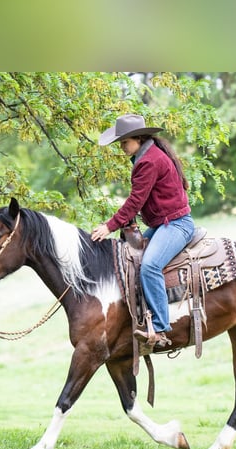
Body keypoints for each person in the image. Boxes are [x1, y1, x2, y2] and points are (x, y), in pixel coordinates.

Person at [91, 113, 195, 349]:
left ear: (137, 138)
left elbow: (135, 201)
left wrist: (109, 226)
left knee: (149, 266)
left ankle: (160, 328)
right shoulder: (148, 154)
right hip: (163, 224)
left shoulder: (148, 161)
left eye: (124, 142)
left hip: (176, 225)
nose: (122, 148)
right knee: (127, 257)